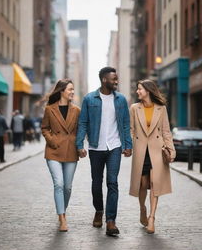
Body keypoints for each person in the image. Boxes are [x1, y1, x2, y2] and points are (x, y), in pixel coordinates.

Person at [76, 67, 132, 236]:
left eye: (117, 78)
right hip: (95, 146)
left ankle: (110, 221)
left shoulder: (121, 99)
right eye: (113, 79)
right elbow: (83, 123)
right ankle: (99, 210)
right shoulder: (89, 99)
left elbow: (125, 124)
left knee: (112, 182)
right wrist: (79, 145)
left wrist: (128, 144)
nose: (116, 81)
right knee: (96, 182)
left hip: (114, 146)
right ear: (104, 80)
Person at [129, 79, 176, 234]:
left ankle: (151, 218)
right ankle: (142, 208)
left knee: (155, 185)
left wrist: (171, 149)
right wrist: (133, 143)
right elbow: (131, 129)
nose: (137, 91)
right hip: (141, 151)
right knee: (142, 184)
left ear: (148, 91)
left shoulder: (161, 109)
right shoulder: (134, 108)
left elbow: (166, 131)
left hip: (156, 151)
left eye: (140, 89)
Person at [41, 79, 80, 232]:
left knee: (68, 187)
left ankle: (62, 210)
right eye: (70, 89)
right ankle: (62, 217)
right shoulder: (50, 109)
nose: (72, 92)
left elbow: (80, 130)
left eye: (73, 89)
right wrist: (52, 141)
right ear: (62, 91)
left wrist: (80, 146)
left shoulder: (76, 110)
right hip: (54, 150)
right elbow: (45, 128)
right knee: (59, 184)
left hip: (71, 151)